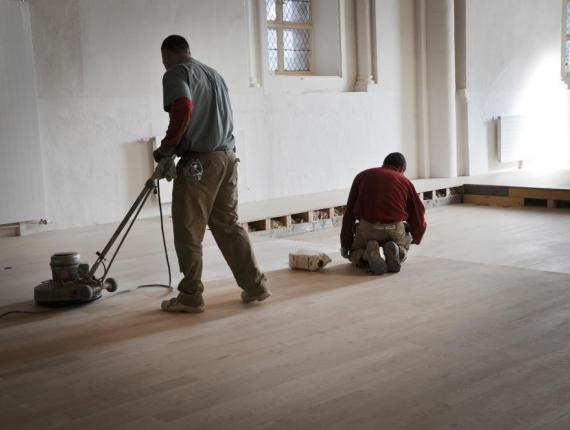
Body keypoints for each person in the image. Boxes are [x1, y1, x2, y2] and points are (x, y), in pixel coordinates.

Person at [154, 35, 270, 313]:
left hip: (199, 163)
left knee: (188, 228)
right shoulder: (214, 74)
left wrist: (166, 149)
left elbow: (182, 108)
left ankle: (191, 295)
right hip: (227, 158)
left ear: (167, 54)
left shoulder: (175, 73)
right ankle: (255, 285)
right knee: (228, 225)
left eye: (162, 59)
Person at [340, 152, 426, 275]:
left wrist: (345, 244)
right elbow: (418, 212)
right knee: (403, 244)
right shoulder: (404, 181)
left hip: (368, 228)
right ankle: (397, 251)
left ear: (384, 163)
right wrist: (416, 236)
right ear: (401, 168)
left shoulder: (362, 176)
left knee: (355, 253)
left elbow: (349, 213)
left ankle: (365, 255)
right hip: (393, 228)